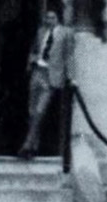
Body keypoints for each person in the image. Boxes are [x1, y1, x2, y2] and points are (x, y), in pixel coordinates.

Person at [18, 9, 72, 158]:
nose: (50, 20)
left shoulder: (65, 34)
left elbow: (68, 56)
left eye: (52, 17)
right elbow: (34, 49)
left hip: (51, 76)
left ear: (58, 18)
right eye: (47, 17)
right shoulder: (41, 31)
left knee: (40, 111)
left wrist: (70, 77)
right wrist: (32, 61)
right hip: (37, 72)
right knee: (32, 111)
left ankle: (27, 145)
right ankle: (33, 148)